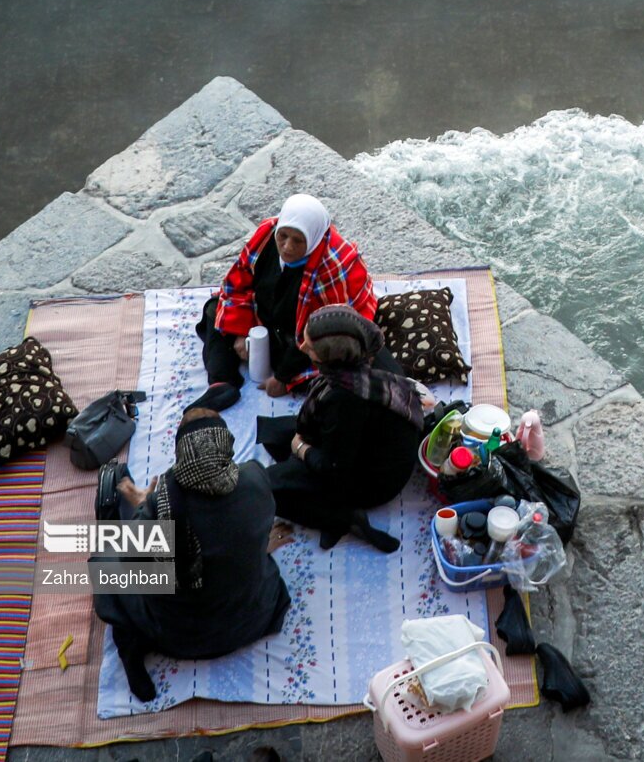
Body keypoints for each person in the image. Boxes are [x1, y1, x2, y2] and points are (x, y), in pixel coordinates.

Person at [93, 409, 293, 702]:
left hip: (179, 637)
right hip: (250, 621)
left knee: (103, 563)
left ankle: (131, 649)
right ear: (226, 444)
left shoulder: (161, 505)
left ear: (180, 453)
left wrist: (141, 506)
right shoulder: (255, 480)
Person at [190, 193, 377, 412]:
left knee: (332, 372)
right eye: (283, 236)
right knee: (214, 309)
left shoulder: (333, 266)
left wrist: (283, 378)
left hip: (302, 339)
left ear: (313, 238)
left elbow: (326, 333)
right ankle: (222, 382)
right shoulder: (267, 235)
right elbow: (239, 281)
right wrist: (241, 331)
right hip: (266, 319)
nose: (287, 247)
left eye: (298, 241)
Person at [264, 304, 424, 552]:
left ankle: (341, 519)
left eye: (310, 347)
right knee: (271, 434)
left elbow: (333, 467)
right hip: (367, 439)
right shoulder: (367, 349)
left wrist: (301, 448)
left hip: (375, 477)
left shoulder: (345, 398)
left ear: (332, 360)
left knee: (270, 490)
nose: (302, 347)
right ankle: (306, 482)